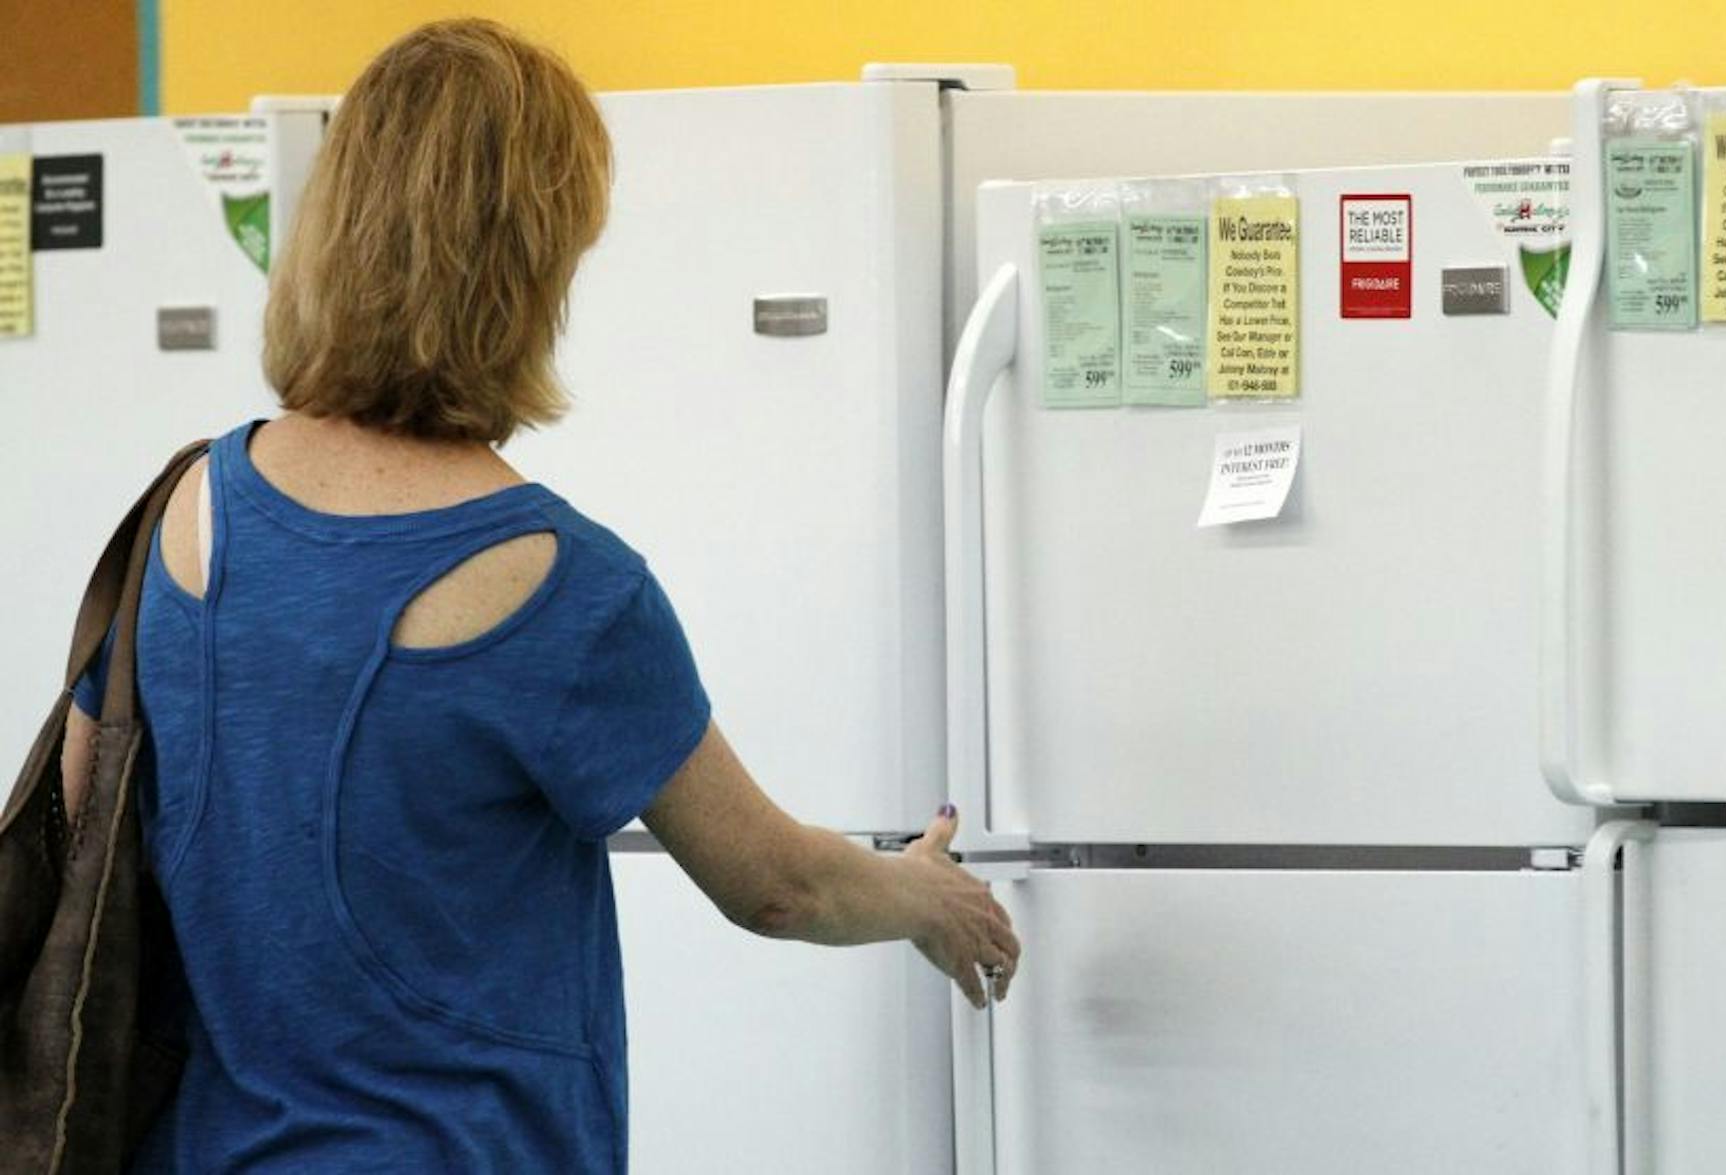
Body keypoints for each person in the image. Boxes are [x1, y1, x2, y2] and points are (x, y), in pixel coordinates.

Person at [58, 19, 1017, 1171]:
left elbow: (80, 819)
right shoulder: (566, 587)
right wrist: (928, 897)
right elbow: (776, 883)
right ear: (529, 267)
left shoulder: (184, 510)